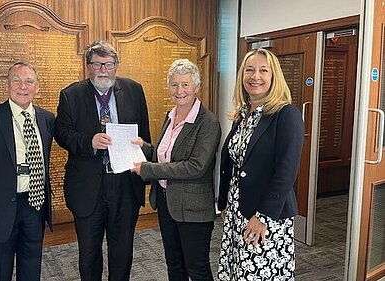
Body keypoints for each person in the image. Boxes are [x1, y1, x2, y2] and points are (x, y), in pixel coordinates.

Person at [54, 40, 151, 281]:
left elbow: (144, 133)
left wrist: (143, 151)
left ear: (116, 65)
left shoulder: (134, 90)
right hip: (88, 187)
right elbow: (62, 134)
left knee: (122, 250)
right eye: (96, 64)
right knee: (89, 252)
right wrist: (89, 141)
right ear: (88, 66)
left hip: (124, 185)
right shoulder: (71, 95)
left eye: (108, 64)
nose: (102, 70)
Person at [216, 48, 304, 280]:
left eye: (263, 70)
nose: (255, 76)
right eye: (250, 70)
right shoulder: (243, 114)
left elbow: (286, 172)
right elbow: (233, 163)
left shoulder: (286, 115)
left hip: (266, 214)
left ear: (274, 77)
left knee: (259, 272)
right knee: (238, 269)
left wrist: (262, 216)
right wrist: (224, 201)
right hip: (238, 209)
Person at [130, 59, 221, 280]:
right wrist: (145, 148)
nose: (179, 90)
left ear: (197, 87)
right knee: (174, 265)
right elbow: (166, 156)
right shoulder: (170, 116)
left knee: (196, 268)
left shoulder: (208, 123)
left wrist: (148, 169)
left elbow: (195, 167)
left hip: (193, 209)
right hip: (166, 202)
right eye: (174, 85)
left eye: (185, 85)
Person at [0, 62, 55, 281]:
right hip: (0, 208)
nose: (22, 86)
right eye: (16, 80)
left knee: (31, 268)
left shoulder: (47, 119)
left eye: (29, 81)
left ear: (37, 87)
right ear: (7, 85)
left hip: (35, 205)